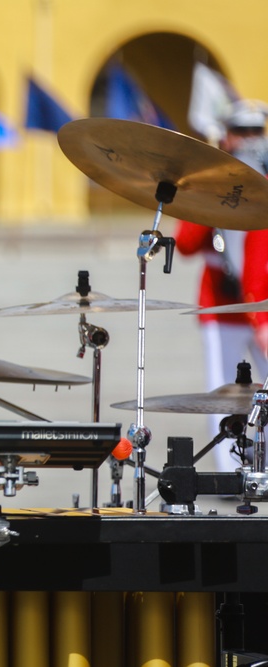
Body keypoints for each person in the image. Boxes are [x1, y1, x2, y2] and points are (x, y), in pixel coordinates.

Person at [176, 99, 268, 470]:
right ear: (225, 136)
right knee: (226, 394)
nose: (247, 140)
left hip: (263, 309)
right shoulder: (213, 183)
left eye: (255, 132)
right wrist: (210, 188)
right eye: (239, 131)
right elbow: (185, 243)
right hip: (221, 307)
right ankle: (231, 474)